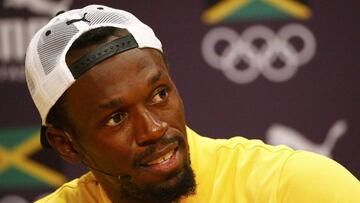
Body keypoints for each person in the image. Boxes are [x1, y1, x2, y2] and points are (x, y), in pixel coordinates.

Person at [24, 4, 360, 203]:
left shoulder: (296, 188)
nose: (154, 129)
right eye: (116, 118)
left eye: (159, 94)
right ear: (65, 144)